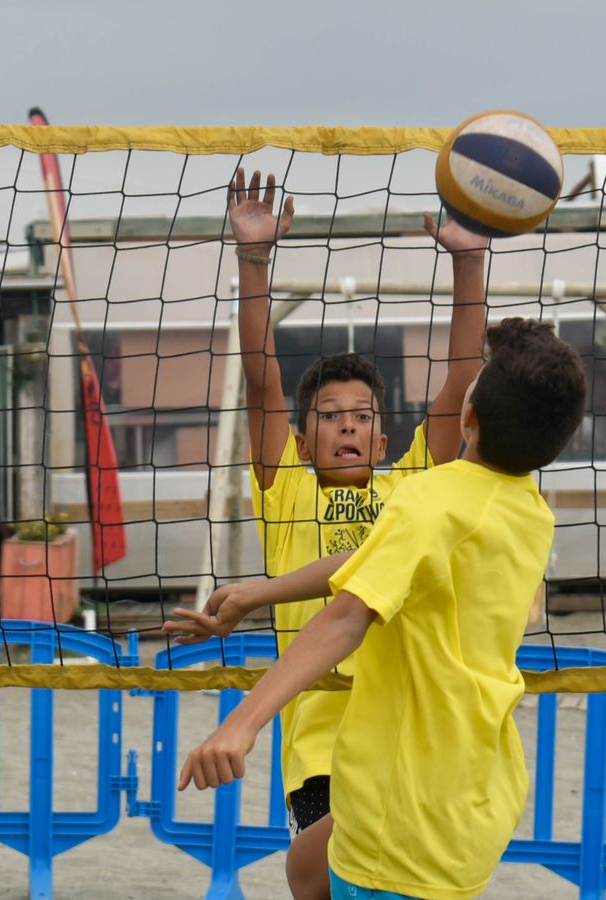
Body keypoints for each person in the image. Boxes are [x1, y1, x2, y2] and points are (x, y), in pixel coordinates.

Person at [176, 318, 588, 900]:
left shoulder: (421, 498)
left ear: (468, 417)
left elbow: (346, 614)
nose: (347, 423)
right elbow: (370, 555)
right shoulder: (529, 512)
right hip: (477, 789)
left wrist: (240, 725)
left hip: (400, 795)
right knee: (306, 869)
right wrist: (253, 593)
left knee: (315, 871)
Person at [189, 168, 491, 897]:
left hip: (406, 721)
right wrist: (254, 259)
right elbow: (262, 378)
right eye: (330, 415)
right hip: (321, 728)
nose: (348, 424)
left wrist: (470, 261)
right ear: (303, 437)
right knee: (323, 875)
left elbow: (462, 380)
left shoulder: (415, 485)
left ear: (384, 441)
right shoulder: (285, 487)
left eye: (362, 415)